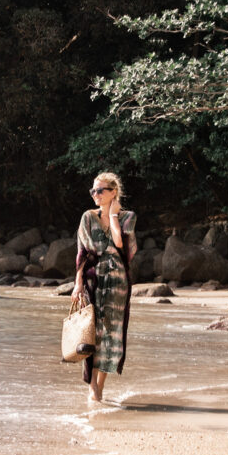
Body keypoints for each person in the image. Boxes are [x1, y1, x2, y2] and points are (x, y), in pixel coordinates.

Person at [72, 172, 137, 403]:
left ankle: (100, 386)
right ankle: (92, 387)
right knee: (93, 335)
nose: (95, 195)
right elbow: (81, 252)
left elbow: (120, 243)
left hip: (118, 283)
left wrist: (113, 216)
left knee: (112, 336)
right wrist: (77, 283)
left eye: (100, 190)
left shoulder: (128, 216)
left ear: (113, 192)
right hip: (93, 280)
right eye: (93, 191)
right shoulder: (87, 218)